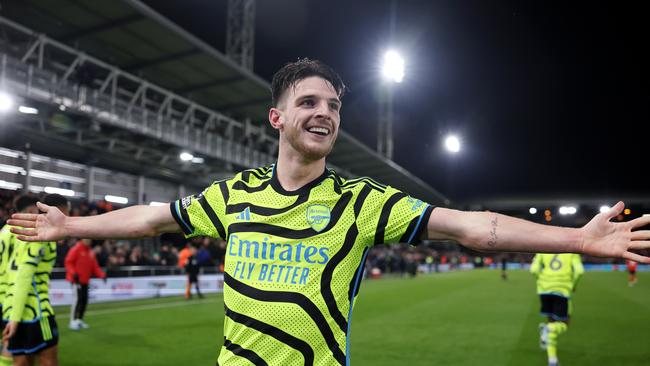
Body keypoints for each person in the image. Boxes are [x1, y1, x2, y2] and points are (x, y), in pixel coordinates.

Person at [6, 59, 650, 366]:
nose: (325, 112)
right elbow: (149, 218)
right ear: (277, 117)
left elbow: (472, 226)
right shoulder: (235, 195)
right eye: (309, 101)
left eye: (335, 106)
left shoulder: (361, 201)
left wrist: (574, 240)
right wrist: (70, 225)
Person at [3, 193, 70, 366]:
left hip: (10, 304)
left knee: (20, 360)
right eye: (67, 213)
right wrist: (15, 318)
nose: (68, 219)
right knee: (48, 360)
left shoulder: (13, 232)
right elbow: (24, 275)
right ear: (58, 211)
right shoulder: (41, 236)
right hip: (34, 310)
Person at [0, 196, 40, 366]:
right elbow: (20, 270)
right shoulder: (25, 231)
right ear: (31, 211)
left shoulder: (4, 230)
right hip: (10, 295)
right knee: (11, 345)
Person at [530, 253, 584, 366]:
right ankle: (548, 329)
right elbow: (579, 271)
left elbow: (534, 269)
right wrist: (573, 285)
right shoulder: (571, 250)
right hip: (562, 290)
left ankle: (552, 360)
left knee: (551, 322)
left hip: (544, 290)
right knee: (564, 323)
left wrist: (542, 280)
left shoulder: (543, 249)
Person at [64, 238, 107, 330]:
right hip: (76, 281)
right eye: (87, 239)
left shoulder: (90, 252)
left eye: (90, 239)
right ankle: (72, 321)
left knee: (84, 301)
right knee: (77, 300)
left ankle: (79, 320)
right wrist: (73, 273)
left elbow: (95, 267)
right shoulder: (76, 249)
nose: (89, 241)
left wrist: (102, 275)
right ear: (82, 239)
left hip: (85, 281)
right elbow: (68, 262)